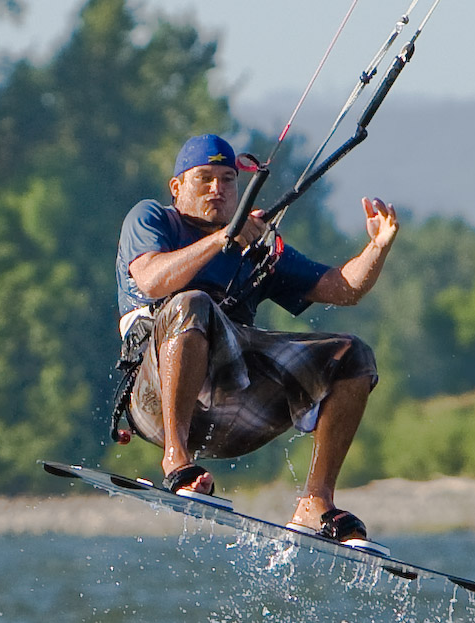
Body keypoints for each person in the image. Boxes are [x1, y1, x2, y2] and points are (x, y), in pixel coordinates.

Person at [114, 133, 398, 549]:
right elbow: (153, 279)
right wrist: (222, 238)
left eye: (228, 179)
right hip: (155, 399)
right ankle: (177, 462)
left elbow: (344, 288)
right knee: (192, 303)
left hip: (235, 411)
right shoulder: (152, 218)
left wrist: (377, 246)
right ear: (177, 187)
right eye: (205, 178)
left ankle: (316, 501)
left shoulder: (257, 245)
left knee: (352, 355)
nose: (218, 188)